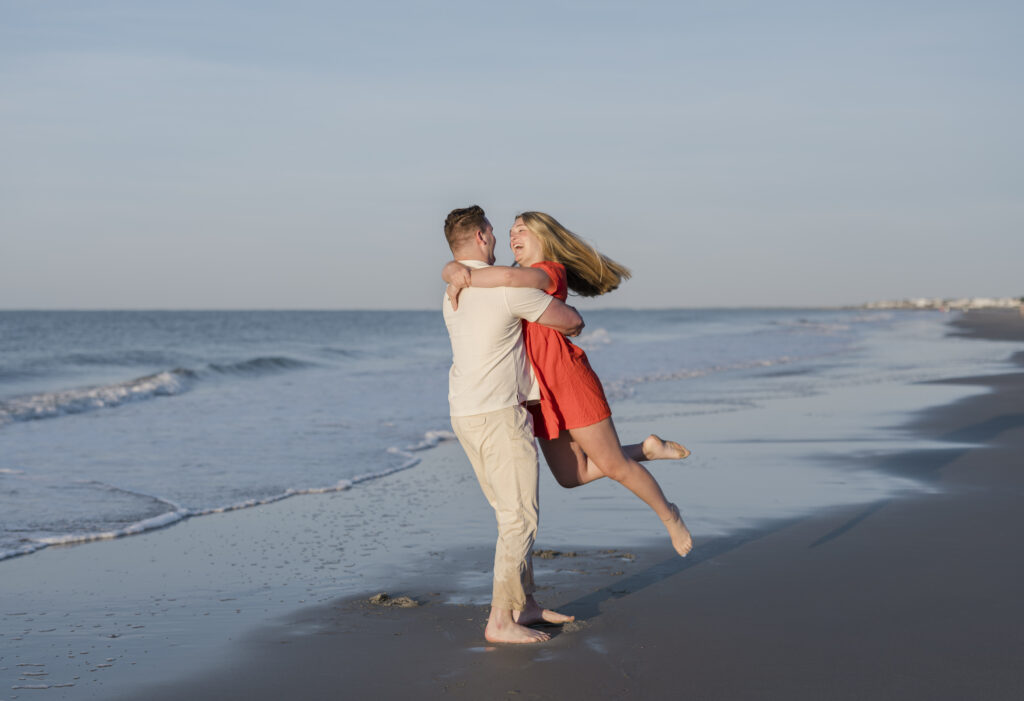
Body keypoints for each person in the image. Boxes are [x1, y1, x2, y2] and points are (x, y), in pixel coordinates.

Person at [443, 211, 694, 558]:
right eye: (511, 230)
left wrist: (461, 274)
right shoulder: (513, 279)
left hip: (567, 379)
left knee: (616, 468)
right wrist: (452, 271)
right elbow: (502, 280)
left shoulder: (546, 273)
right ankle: (646, 449)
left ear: (545, 239)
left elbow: (506, 278)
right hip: (538, 392)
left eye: (523, 231)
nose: (513, 236)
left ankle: (670, 515)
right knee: (569, 476)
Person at [442, 205, 583, 644]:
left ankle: (525, 604)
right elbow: (573, 322)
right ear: (483, 236)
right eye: (495, 233)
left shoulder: (451, 289)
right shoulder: (506, 290)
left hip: (464, 411)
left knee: (508, 512)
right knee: (519, 518)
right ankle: (500, 620)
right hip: (501, 413)